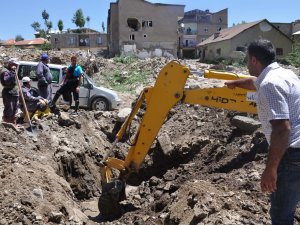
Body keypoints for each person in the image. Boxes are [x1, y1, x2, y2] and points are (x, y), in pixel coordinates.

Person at [225, 39, 300, 224]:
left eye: (246, 60)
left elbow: (282, 129)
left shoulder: (269, 85)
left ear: (254, 60)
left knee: (282, 214)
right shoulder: (285, 74)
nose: (246, 64)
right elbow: (255, 82)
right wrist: (236, 82)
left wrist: (270, 169)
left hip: (291, 155)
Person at [0, 58, 19, 125]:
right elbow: (7, 81)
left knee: (15, 109)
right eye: (15, 64)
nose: (16, 66)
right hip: (8, 92)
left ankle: (13, 123)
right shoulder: (5, 71)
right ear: (11, 64)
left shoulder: (12, 70)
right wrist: (12, 73)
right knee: (9, 109)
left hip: (14, 92)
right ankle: (6, 124)